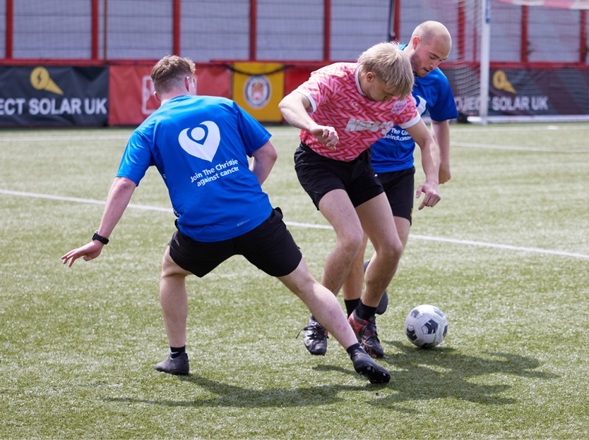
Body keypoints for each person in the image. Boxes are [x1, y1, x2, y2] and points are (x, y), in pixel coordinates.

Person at [61, 55, 390, 385]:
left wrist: (99, 238)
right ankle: (354, 350)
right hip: (257, 220)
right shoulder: (224, 107)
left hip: (202, 232)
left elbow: (124, 185)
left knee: (172, 272)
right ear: (190, 82)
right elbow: (268, 154)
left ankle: (178, 357)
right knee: (306, 285)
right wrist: (244, 194)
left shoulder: (149, 129)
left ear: (156, 92)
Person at [278, 42, 442, 359]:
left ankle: (363, 319)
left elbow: (425, 139)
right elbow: (289, 103)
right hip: (319, 164)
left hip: (358, 166)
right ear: (368, 76)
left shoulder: (397, 97)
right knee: (351, 237)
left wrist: (432, 179)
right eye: (387, 93)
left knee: (392, 247)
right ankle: (319, 320)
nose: (393, 102)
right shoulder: (335, 78)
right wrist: (313, 125)